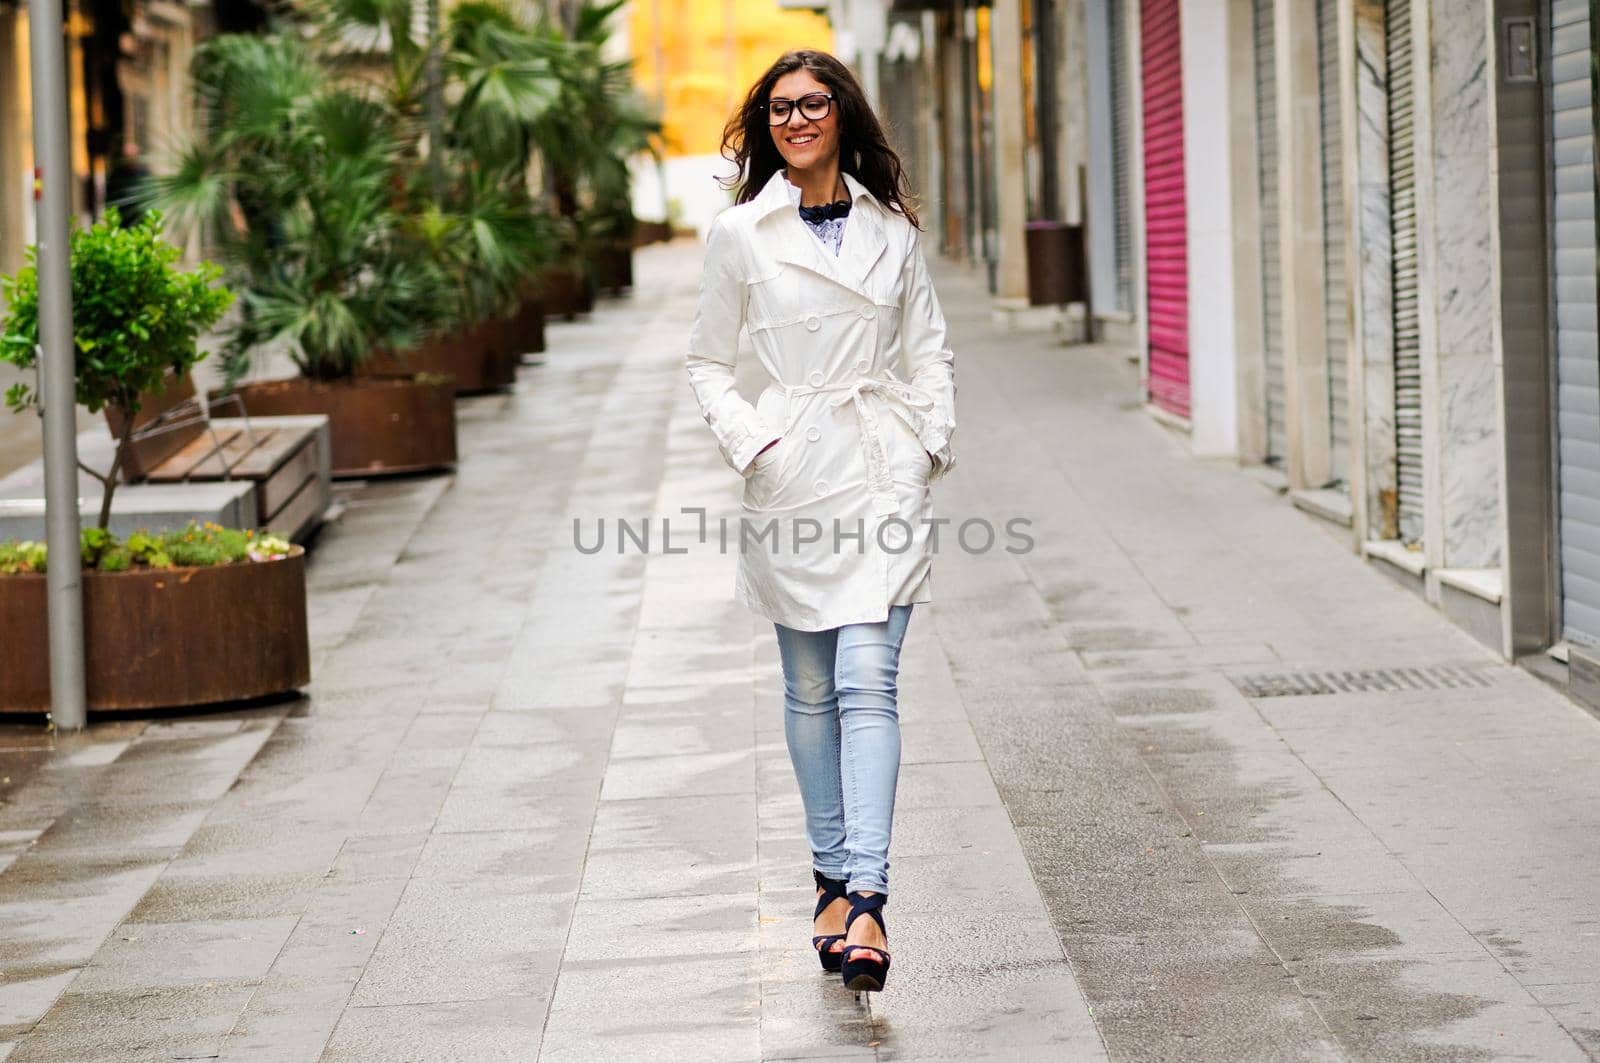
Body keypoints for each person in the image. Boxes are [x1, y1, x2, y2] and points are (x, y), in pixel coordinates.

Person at [684, 49, 957, 995]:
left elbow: (929, 352)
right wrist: (758, 442)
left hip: (881, 471)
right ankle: (829, 879)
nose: (796, 119)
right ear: (765, 126)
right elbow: (707, 364)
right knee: (809, 693)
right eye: (778, 108)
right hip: (795, 473)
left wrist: (928, 443)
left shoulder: (894, 231)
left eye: (813, 103)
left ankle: (872, 899)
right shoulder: (741, 235)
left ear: (844, 113)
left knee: (868, 680)